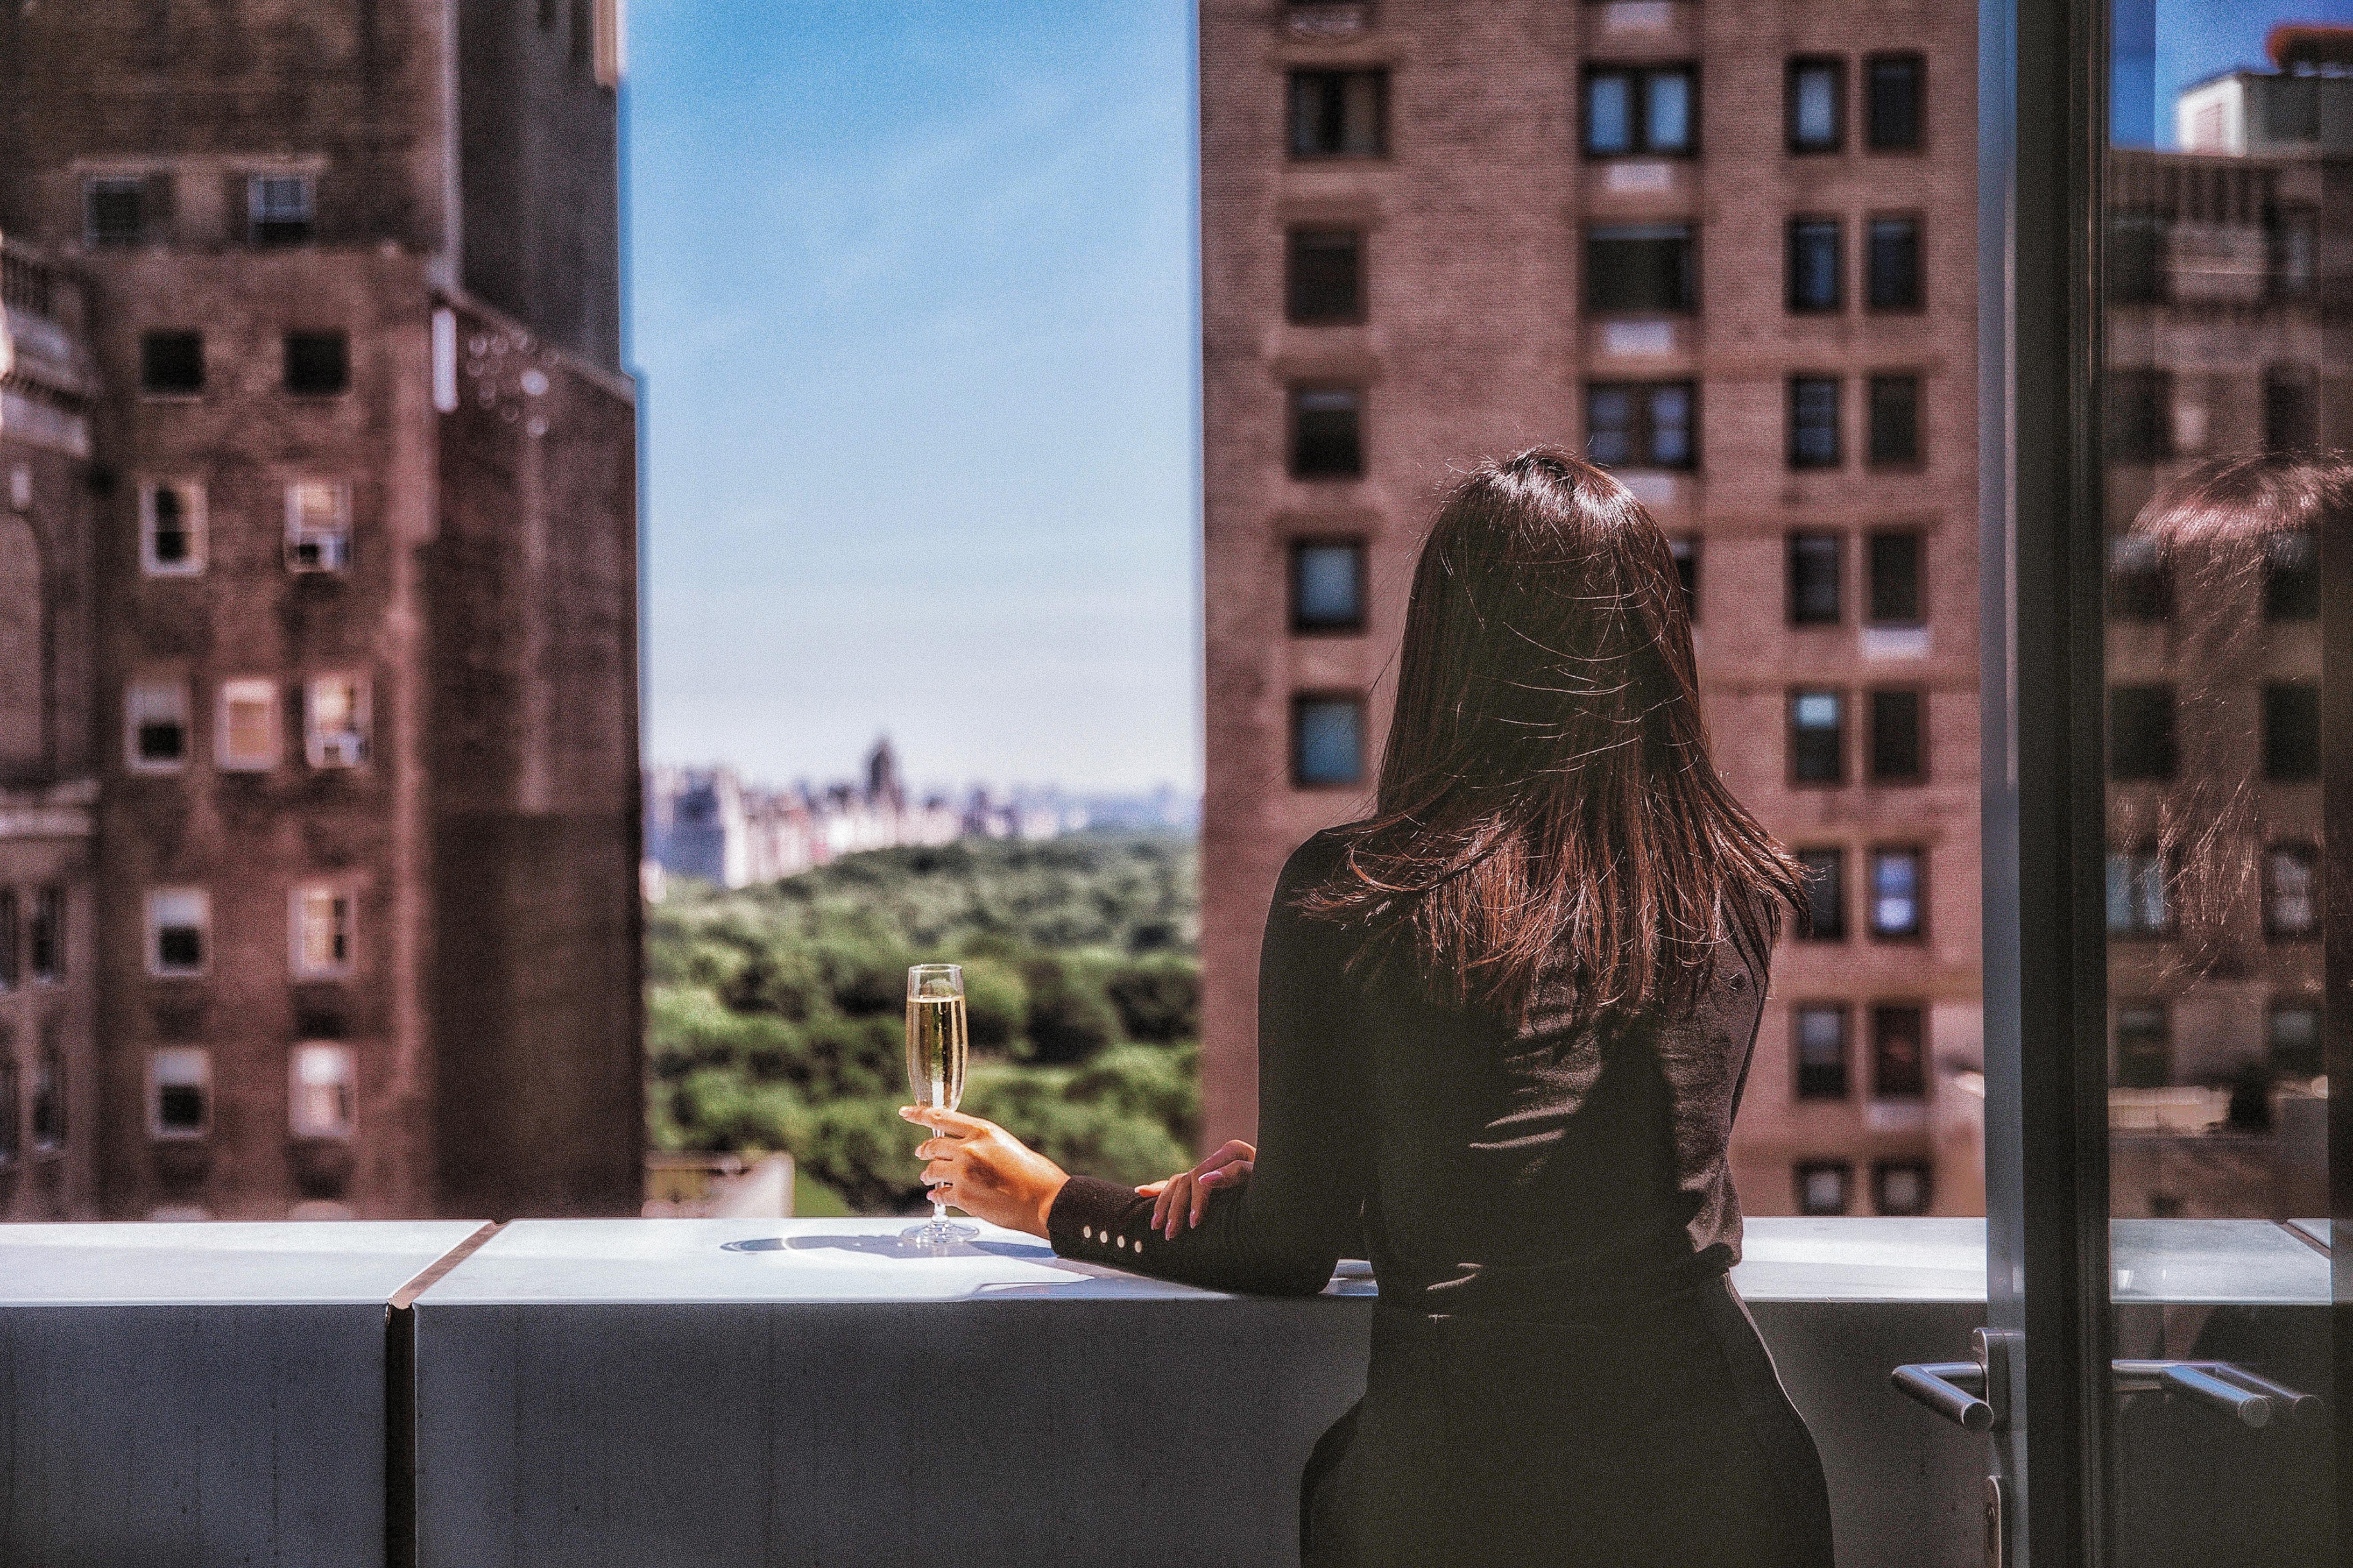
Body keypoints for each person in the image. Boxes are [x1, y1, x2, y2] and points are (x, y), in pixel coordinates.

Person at [904, 449, 1835, 1566]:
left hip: (1466, 1490)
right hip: (1727, 1475)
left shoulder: (1359, 889)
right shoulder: (1729, 882)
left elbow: (1285, 1248)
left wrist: (1049, 1198)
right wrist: (1369, 1168)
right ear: (1648, 649)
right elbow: (1602, 1190)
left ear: (1451, 642)